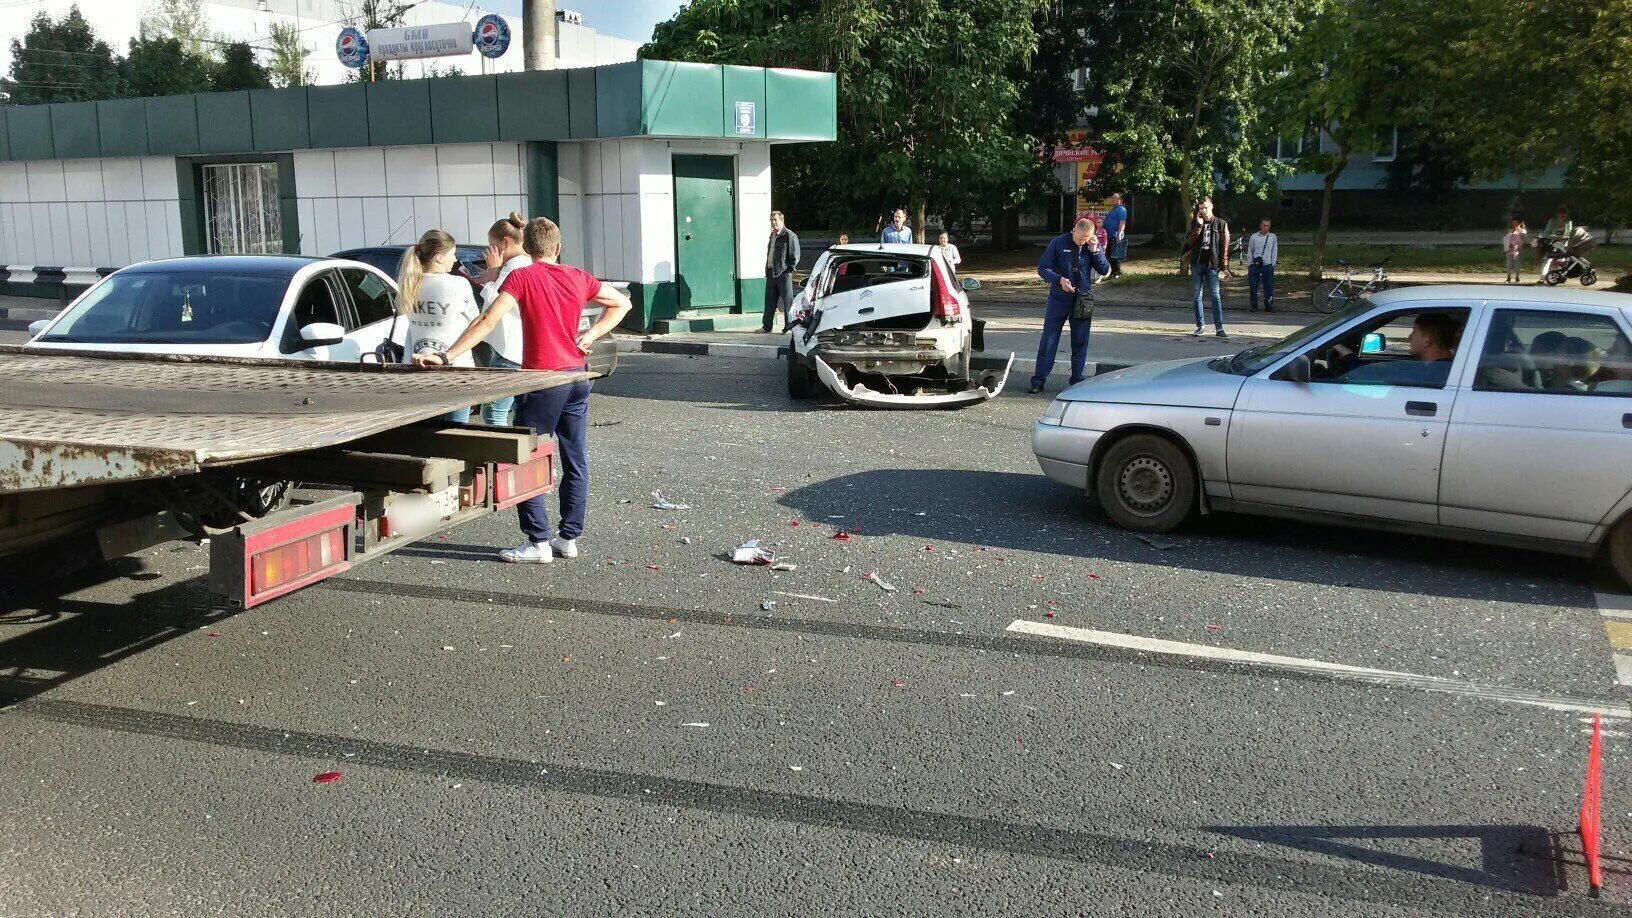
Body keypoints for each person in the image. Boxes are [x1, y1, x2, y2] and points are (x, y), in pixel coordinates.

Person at [413, 217, 632, 564]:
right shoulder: (578, 276)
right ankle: (568, 538)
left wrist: (446, 354)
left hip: (543, 381)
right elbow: (622, 303)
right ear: (558, 248)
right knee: (575, 458)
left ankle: (538, 542)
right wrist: (589, 336)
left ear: (527, 248)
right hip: (577, 377)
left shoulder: (522, 276)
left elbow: (487, 320)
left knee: (528, 459)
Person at [396, 229, 482, 422]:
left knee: (424, 437)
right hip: (456, 370)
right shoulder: (457, 284)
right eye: (452, 255)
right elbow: (476, 322)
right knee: (457, 435)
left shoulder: (409, 283)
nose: (455, 260)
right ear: (438, 257)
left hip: (416, 368)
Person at [1028, 217, 1109, 394]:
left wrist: (1095, 251)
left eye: (1085, 239)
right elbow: (1043, 268)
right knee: (1049, 339)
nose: (1082, 242)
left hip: (1082, 300)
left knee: (1080, 341)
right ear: (1074, 230)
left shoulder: (1091, 246)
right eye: (1080, 238)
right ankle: (1039, 380)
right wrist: (1059, 280)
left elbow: (1104, 269)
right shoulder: (1058, 243)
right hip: (1059, 298)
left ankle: (1077, 380)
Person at [476, 212, 531, 425]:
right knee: (520, 410)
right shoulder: (527, 264)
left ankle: (501, 457)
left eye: (492, 245)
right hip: (521, 347)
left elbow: (494, 305)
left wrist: (492, 271)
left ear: (505, 242)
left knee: (494, 412)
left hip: (508, 349)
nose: (490, 250)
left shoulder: (513, 268)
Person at [1337, 313, 1460, 387]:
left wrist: (1348, 356)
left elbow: (1368, 380)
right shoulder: (1442, 369)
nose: (1409, 337)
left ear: (1427, 340)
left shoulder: (1430, 375)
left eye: (1414, 332)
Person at [1181, 197, 1230, 339]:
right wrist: (1198, 227)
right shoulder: (1195, 222)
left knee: (1216, 296)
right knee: (1197, 296)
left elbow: (1224, 248)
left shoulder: (1221, 224)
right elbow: (1189, 242)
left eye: (1206, 208)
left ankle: (1219, 328)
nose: (1203, 211)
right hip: (1196, 264)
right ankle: (1200, 326)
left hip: (1212, 265)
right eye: (1201, 208)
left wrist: (1225, 267)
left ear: (1212, 207)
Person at [764, 211, 801, 334]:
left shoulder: (789, 235)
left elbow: (794, 256)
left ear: (782, 221)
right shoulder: (773, 235)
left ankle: (788, 326)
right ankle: (766, 326)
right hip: (771, 272)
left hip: (783, 273)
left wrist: (789, 270)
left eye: (775, 220)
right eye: (771, 220)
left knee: (787, 302)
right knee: (769, 301)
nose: (773, 222)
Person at [1244, 217, 1279, 312]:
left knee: (1268, 286)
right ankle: (1253, 304)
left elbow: (1274, 251)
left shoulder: (1272, 237)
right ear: (1260, 226)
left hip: (1267, 264)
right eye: (1264, 225)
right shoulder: (1254, 237)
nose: (1266, 228)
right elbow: (1250, 250)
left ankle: (1268, 304)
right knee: (1253, 285)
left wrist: (1272, 263)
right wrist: (1250, 263)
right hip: (1255, 264)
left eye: (1268, 226)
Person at [1538, 206, 1573, 280]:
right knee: (1548, 260)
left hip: (1563, 244)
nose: (1563, 218)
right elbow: (1546, 234)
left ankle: (1559, 276)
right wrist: (1556, 237)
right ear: (1558, 214)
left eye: (1564, 216)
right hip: (1552, 243)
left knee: (1561, 261)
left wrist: (1565, 237)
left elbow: (1569, 233)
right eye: (1561, 216)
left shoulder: (1568, 222)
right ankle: (1542, 277)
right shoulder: (1552, 221)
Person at [1102, 193, 1129, 279]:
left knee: (1115, 255)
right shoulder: (1113, 209)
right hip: (1109, 236)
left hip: (1115, 236)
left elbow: (1122, 222)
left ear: (1119, 199)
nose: (1113, 199)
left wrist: (1119, 234)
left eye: (1115, 198)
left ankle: (1117, 272)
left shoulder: (1121, 209)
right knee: (1110, 254)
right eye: (1112, 198)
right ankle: (1114, 272)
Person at [1502, 218, 1527, 284]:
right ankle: (1508, 278)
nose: (1514, 224)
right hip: (1509, 249)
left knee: (1517, 264)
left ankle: (1517, 278)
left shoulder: (1522, 231)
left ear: (1519, 223)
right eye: (1513, 223)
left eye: (1516, 223)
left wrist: (1521, 229)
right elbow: (1506, 240)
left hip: (1517, 250)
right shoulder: (1509, 231)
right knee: (1509, 264)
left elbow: (1524, 239)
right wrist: (1505, 248)